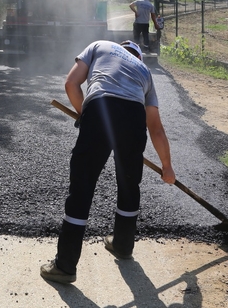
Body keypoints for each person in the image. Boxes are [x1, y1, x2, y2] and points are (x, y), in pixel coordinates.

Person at [40, 40, 176, 284]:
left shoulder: (100, 45)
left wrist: (86, 116)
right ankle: (123, 246)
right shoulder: (144, 72)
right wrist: (167, 167)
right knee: (129, 184)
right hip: (134, 117)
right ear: (138, 57)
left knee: (82, 187)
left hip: (101, 105)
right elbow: (155, 127)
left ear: (121, 48)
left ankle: (65, 265)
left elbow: (71, 83)